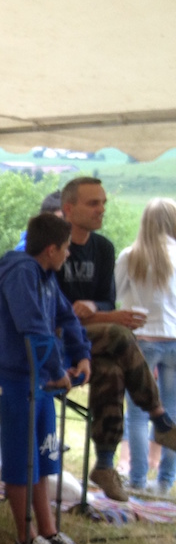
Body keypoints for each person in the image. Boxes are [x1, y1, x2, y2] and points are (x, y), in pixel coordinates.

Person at [53, 176, 176, 501]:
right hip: (59, 340)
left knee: (112, 371)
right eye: (93, 203)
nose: (102, 209)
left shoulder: (104, 248)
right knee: (120, 333)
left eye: (104, 203)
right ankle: (159, 417)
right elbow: (55, 311)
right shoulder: (53, 246)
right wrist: (107, 317)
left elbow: (108, 300)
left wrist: (96, 307)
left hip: (92, 339)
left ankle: (105, 464)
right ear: (69, 209)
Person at [0, 213, 92, 544]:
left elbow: (66, 316)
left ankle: (48, 529)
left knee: (44, 455)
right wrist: (56, 369)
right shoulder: (21, 273)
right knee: (21, 457)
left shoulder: (46, 276)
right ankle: (25, 536)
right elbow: (32, 326)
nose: (68, 254)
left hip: (40, 377)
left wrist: (81, 355)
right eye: (66, 248)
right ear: (51, 249)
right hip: (17, 377)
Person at [116, 197, 176, 495]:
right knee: (172, 411)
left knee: (139, 413)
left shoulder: (131, 256)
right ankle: (165, 481)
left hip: (142, 339)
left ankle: (137, 479)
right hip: (174, 339)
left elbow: (116, 294)